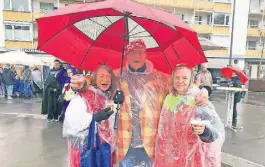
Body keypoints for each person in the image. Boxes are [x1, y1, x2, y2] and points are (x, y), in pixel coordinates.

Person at [71, 39, 209, 166]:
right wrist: (81, 84)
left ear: (145, 55)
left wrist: (204, 90)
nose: (136, 56)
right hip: (124, 143)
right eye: (132, 53)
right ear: (127, 56)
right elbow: (96, 77)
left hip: (150, 143)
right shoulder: (117, 75)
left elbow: (183, 84)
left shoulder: (159, 78)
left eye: (140, 53)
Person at [153, 64, 224, 167]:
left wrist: (204, 131)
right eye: (177, 77)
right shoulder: (169, 97)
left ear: (191, 80)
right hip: (169, 157)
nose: (180, 81)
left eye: (184, 78)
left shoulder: (198, 99)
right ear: (172, 79)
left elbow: (215, 132)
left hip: (193, 158)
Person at [63, 65, 117, 167]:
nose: (105, 79)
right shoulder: (82, 96)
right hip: (86, 152)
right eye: (101, 76)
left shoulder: (107, 98)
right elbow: (71, 124)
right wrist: (94, 118)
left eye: (108, 76)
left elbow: (112, 126)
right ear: (94, 78)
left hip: (104, 150)